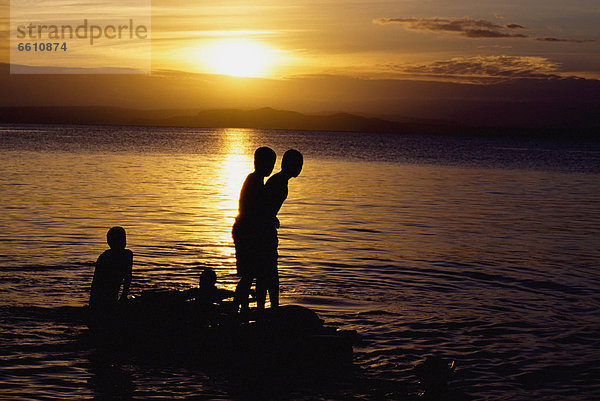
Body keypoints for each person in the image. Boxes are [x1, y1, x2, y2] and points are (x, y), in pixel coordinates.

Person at [257, 149, 303, 310]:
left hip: (266, 228)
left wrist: (273, 216)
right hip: (264, 231)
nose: (300, 168)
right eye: (299, 164)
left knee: (266, 271)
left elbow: (267, 205)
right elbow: (264, 206)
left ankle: (266, 307)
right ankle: (269, 308)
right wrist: (270, 217)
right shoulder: (278, 182)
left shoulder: (280, 181)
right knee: (268, 272)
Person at [232, 147, 276, 314]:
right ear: (257, 163)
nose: (270, 168)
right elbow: (254, 208)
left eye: (272, 164)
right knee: (249, 273)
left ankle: (241, 307)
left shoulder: (257, 180)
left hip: (246, 230)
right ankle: (238, 307)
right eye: (268, 164)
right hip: (245, 231)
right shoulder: (254, 180)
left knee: (251, 273)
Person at [89, 226, 133, 318]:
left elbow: (128, 277)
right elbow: (97, 283)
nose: (123, 242)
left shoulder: (127, 255)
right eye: (121, 239)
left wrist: (123, 296)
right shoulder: (105, 258)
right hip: (101, 296)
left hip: (110, 295)